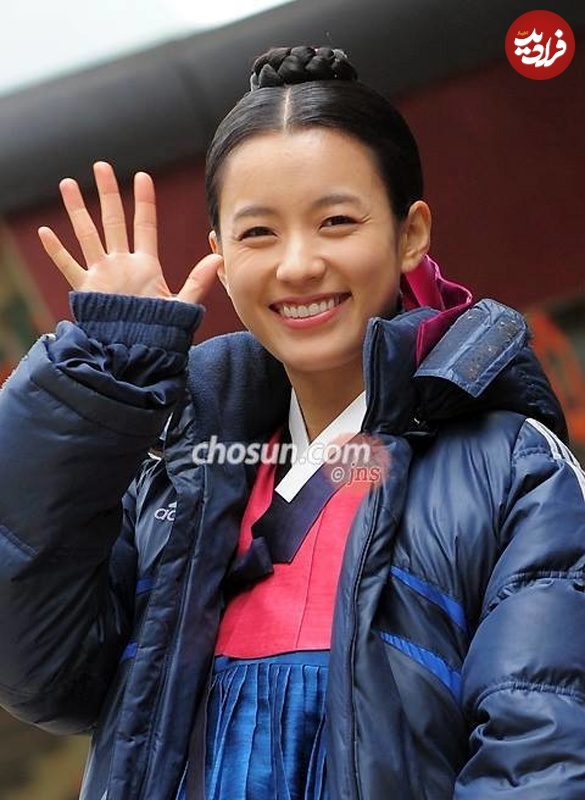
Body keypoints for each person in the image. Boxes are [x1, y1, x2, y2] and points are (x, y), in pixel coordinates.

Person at [0, 44, 584, 800]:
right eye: (258, 233)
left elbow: (540, 760)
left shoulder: (512, 471)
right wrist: (103, 373)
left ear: (410, 232)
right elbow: (41, 674)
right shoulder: (182, 475)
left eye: (335, 221)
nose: (298, 265)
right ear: (217, 255)